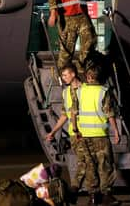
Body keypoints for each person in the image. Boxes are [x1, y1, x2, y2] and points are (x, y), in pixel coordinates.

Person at [77, 65, 120, 206]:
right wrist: (116, 131)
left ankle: (93, 197)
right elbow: (109, 113)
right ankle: (106, 195)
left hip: (85, 135)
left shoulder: (80, 91)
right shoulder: (103, 91)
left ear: (88, 77)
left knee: (90, 166)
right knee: (105, 166)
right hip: (100, 135)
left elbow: (74, 111)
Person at [45, 63, 86, 203]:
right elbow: (65, 115)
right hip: (76, 136)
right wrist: (53, 131)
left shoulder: (85, 90)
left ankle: (79, 191)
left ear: (73, 74)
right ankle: (76, 190)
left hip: (89, 133)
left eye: (65, 75)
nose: (62, 78)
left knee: (88, 164)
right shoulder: (66, 92)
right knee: (84, 163)